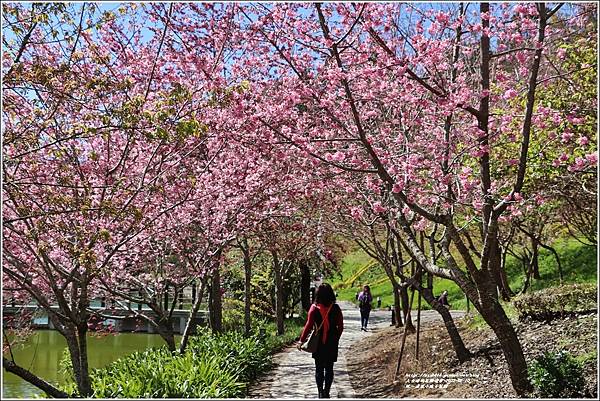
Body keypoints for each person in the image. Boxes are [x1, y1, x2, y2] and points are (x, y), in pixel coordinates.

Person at [298, 283, 344, 399]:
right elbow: (341, 326)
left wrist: (301, 341)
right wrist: (336, 338)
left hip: (318, 342)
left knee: (319, 368)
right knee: (329, 368)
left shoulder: (314, 308)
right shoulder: (336, 308)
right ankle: (326, 391)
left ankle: (320, 393)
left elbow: (308, 326)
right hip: (332, 341)